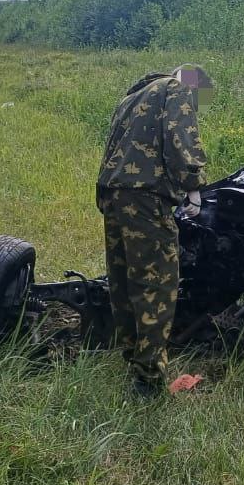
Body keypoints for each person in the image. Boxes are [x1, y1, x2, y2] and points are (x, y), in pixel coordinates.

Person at [97, 64, 212, 396]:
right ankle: (147, 381)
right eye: (200, 96)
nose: (197, 103)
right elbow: (181, 139)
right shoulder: (176, 90)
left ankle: (132, 356)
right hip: (145, 197)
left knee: (124, 281)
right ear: (193, 84)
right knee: (156, 284)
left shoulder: (131, 97)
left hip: (113, 193)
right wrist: (193, 186)